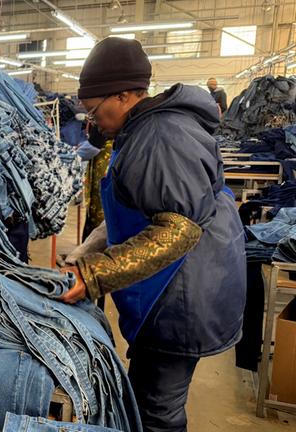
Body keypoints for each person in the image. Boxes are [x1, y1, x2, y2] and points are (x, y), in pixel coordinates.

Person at [59, 38, 246, 432]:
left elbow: (178, 230)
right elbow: (138, 209)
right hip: (177, 286)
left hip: (183, 295)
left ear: (125, 95)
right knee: (147, 390)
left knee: (157, 410)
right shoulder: (143, 130)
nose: (92, 123)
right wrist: (88, 250)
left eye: (94, 111)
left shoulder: (160, 138)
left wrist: (94, 274)